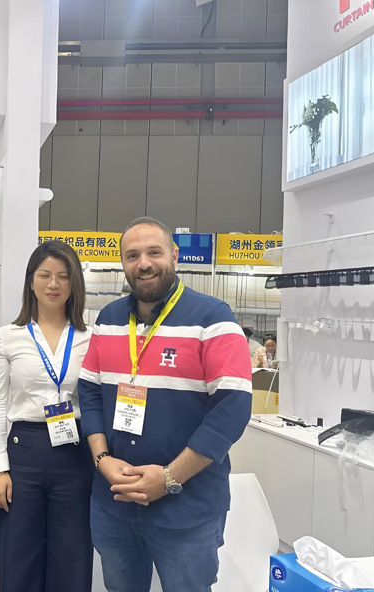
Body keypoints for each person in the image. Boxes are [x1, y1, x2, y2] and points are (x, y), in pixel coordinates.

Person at [78, 217, 252, 592]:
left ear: (174, 255)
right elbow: (89, 392)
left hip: (187, 509)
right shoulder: (108, 320)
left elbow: (233, 408)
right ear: (122, 263)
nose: (144, 263)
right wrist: (102, 459)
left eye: (154, 252)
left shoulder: (213, 318)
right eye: (132, 255)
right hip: (114, 504)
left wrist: (170, 477)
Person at [0, 240, 93, 592]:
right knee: (19, 555)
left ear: (74, 283)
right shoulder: (8, 337)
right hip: (24, 454)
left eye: (63, 276)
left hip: (75, 455)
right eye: (45, 275)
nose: (53, 284)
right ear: (31, 281)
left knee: (73, 555)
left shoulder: (90, 338)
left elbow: (95, 402)